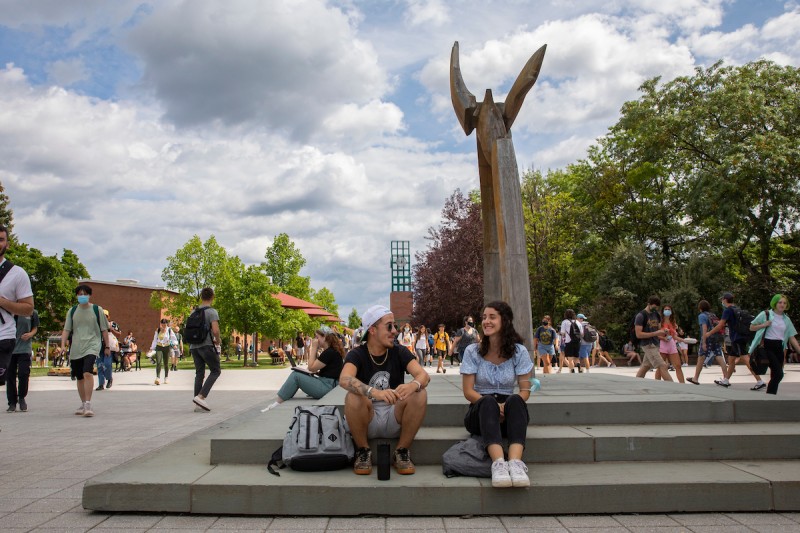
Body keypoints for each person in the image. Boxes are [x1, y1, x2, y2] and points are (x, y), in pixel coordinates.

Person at [339, 305, 429, 476]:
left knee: (420, 393)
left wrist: (413, 385)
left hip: (394, 416)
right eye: (389, 326)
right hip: (367, 417)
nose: (395, 331)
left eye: (395, 326)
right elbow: (344, 379)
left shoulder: (399, 351)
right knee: (354, 396)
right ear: (372, 330)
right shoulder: (357, 354)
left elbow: (423, 376)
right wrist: (375, 392)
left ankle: (401, 451)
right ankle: (363, 451)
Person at [461, 301, 534, 488]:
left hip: (508, 408)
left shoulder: (519, 351)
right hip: (480, 409)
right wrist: (494, 406)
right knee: (487, 402)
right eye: (484, 317)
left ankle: (516, 463)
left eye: (492, 317)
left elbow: (525, 390)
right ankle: (499, 464)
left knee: (517, 400)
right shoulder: (472, 351)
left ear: (505, 321)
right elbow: (468, 391)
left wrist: (504, 406)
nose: (486, 321)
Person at [262, 326, 345, 411]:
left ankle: (277, 403)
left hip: (328, 387)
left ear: (325, 337)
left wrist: (313, 348)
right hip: (330, 385)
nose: (316, 340)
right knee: (298, 374)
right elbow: (322, 370)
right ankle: (279, 401)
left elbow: (311, 368)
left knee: (296, 376)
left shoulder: (329, 352)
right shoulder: (332, 351)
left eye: (317, 337)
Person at [61, 284, 113, 417]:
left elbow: (104, 330)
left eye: (84, 293)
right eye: (79, 294)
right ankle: (83, 403)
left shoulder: (97, 310)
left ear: (89, 295)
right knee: (79, 376)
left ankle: (88, 404)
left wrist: (107, 346)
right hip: (77, 347)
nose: (82, 296)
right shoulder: (72, 311)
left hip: (92, 345)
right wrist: (62, 345)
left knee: (87, 372)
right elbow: (67, 329)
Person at [0, 225, 34, 391]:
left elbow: (28, 309)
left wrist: (2, 302)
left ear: (7, 244)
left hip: (3, 336)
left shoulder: (17, 273)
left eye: (1, 239)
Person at [706, 293, 764, 390]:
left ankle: (759, 381)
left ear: (725, 300)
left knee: (746, 359)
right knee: (731, 359)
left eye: (722, 300)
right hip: (740, 337)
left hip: (737, 338)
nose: (721, 302)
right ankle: (726, 380)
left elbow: (720, 325)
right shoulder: (736, 309)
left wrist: (709, 333)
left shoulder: (727, 311)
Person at [748, 294, 800, 395]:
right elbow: (751, 327)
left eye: (784, 303)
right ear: (775, 303)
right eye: (780, 302)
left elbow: (791, 337)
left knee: (775, 374)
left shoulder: (786, 319)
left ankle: (771, 396)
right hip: (767, 346)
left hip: (779, 347)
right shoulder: (766, 314)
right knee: (779, 374)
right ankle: (770, 394)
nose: (782, 305)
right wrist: (764, 324)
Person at [190, 287, 221, 412]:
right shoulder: (212, 312)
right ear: (212, 297)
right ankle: (201, 396)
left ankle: (197, 403)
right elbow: (215, 330)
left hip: (193, 346)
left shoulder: (193, 312)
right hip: (206, 345)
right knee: (216, 370)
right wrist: (217, 340)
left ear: (201, 297)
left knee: (199, 373)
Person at [687, 300, 728, 385]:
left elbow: (704, 328)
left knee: (701, 357)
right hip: (715, 338)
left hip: (707, 337)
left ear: (700, 308)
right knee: (719, 356)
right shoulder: (713, 315)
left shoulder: (702, 316)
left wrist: (704, 341)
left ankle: (695, 378)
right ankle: (726, 378)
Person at [6, 308, 38, 412]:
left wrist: (30, 334)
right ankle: (12, 402)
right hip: (9, 349)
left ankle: (21, 397)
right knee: (10, 376)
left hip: (24, 348)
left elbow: (35, 328)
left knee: (23, 373)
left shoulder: (32, 312)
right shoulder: (6, 311)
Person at [634, 296, 672, 381]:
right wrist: (656, 333)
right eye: (654, 307)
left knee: (646, 366)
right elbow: (638, 334)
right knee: (663, 365)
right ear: (649, 304)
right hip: (648, 345)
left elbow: (658, 329)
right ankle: (672, 386)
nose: (656, 309)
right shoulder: (641, 316)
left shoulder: (656, 315)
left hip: (655, 344)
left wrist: (664, 331)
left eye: (657, 308)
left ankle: (636, 382)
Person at [654, 305, 685, 383]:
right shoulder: (659, 322)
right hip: (662, 345)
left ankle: (683, 384)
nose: (667, 311)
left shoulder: (673, 322)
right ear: (663, 311)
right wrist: (663, 338)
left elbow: (674, 336)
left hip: (671, 345)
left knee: (678, 365)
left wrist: (683, 340)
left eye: (669, 309)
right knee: (660, 367)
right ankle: (657, 383)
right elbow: (655, 334)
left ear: (671, 312)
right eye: (665, 309)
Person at [96, 309, 120, 391]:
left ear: (108, 317)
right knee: (100, 365)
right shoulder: (97, 325)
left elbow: (119, 334)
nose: (104, 318)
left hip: (109, 347)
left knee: (107, 364)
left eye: (106, 316)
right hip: (99, 347)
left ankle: (109, 378)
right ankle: (101, 384)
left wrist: (111, 329)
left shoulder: (112, 324)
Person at [149, 319, 177, 385]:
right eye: (162, 324)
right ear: (161, 324)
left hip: (167, 347)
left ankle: (166, 377)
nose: (164, 325)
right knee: (158, 362)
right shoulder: (158, 330)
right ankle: (157, 378)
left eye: (165, 324)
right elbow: (155, 340)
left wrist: (174, 344)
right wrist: (152, 348)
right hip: (159, 347)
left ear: (167, 324)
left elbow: (173, 338)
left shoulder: (169, 330)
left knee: (166, 363)